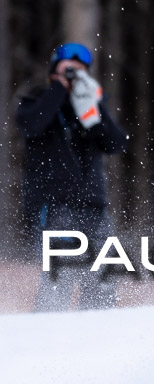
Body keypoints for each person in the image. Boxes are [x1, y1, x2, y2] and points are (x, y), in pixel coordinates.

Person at [16, 43, 128, 311]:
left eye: (79, 71)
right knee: (60, 275)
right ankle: (44, 337)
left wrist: (92, 106)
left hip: (93, 207)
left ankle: (98, 338)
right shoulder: (35, 100)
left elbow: (116, 143)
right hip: (54, 205)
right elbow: (32, 125)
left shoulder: (88, 104)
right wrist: (58, 89)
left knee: (102, 276)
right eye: (68, 70)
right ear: (54, 70)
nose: (73, 75)